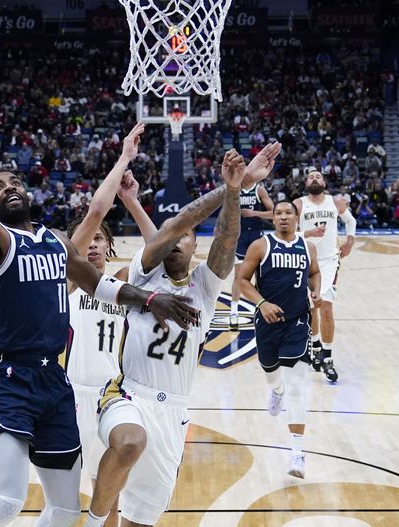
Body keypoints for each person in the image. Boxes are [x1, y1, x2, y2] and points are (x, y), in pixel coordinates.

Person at [0, 111, 197, 527]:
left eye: (14, 182)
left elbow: (99, 283)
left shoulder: (56, 242)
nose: (9, 187)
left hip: (55, 383)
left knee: (66, 511)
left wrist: (148, 298)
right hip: (9, 378)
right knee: (7, 501)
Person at [84, 143, 281, 527]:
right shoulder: (144, 272)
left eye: (188, 236)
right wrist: (230, 187)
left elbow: (225, 240)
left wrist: (235, 192)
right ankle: (93, 523)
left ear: (196, 247)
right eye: (175, 233)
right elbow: (175, 224)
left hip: (173, 410)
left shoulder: (205, 287)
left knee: (142, 518)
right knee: (128, 443)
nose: (178, 239)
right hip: (128, 394)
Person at [65, 124, 158, 527]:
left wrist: (132, 201)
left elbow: (158, 246)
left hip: (111, 393)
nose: (92, 244)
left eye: (100, 240)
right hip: (68, 393)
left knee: (111, 491)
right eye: (86, 240)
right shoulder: (65, 281)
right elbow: (92, 214)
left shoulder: (122, 282)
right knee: (66, 494)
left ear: (108, 246)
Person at [238, 200, 321, 478]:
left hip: (297, 322)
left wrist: (316, 291)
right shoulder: (261, 246)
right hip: (267, 323)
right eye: (279, 213)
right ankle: (276, 391)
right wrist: (261, 303)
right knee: (271, 372)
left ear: (297, 218)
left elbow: (314, 273)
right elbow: (242, 281)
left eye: (288, 213)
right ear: (272, 219)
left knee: (297, 385)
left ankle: (297, 453)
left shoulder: (308, 247)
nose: (283, 217)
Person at [294, 170, 356, 382]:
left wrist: (350, 241)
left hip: (330, 261)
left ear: (324, 181)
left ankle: (327, 358)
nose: (314, 179)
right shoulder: (299, 204)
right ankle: (316, 344)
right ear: (305, 182)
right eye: (310, 176)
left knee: (326, 308)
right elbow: (288, 233)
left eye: (318, 176)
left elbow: (351, 221)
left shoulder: (335, 201)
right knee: (311, 309)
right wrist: (309, 234)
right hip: (307, 261)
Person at [229, 173, 275, 330]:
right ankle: (233, 312)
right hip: (239, 236)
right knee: (238, 275)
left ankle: (261, 308)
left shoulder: (259, 190)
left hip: (256, 236)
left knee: (259, 275)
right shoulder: (234, 190)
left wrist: (255, 213)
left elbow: (274, 213)